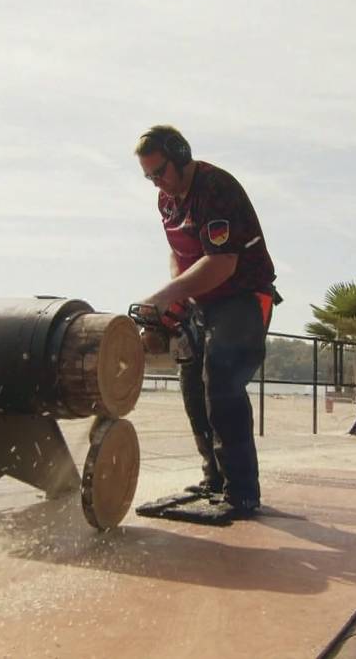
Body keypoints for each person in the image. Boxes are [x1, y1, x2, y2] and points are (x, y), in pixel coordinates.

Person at [134, 125, 277, 520]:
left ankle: (242, 491)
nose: (155, 183)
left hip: (243, 296)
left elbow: (222, 262)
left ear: (180, 158)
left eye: (159, 172)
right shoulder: (166, 200)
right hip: (202, 301)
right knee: (191, 384)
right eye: (148, 177)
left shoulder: (216, 188)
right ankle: (214, 477)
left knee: (223, 378)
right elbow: (179, 255)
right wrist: (173, 300)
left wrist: (166, 295)